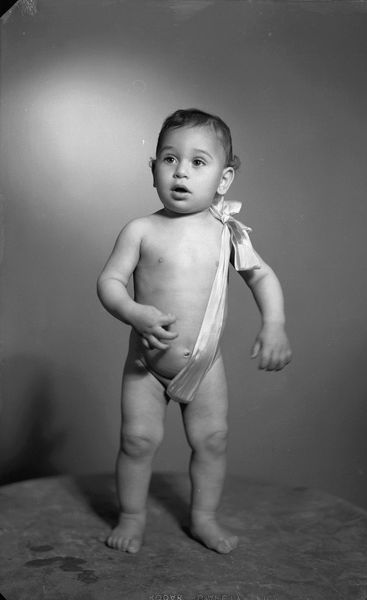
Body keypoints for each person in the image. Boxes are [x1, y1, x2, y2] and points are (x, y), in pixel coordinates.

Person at [97, 108, 292, 555]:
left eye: (198, 162)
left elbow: (262, 276)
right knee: (137, 440)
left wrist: (274, 324)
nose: (181, 171)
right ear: (153, 170)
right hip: (146, 364)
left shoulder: (227, 233)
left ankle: (204, 517)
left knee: (212, 440)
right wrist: (133, 312)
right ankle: (132, 516)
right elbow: (108, 282)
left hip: (204, 366)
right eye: (169, 159)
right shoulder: (141, 230)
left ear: (224, 180)